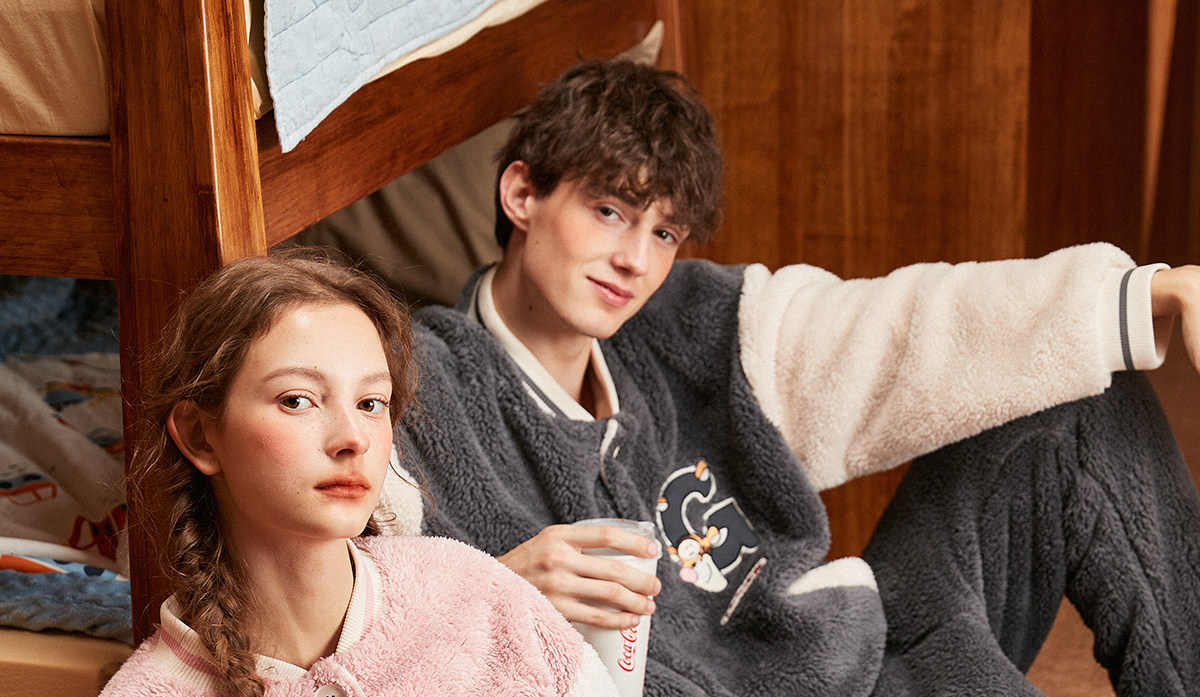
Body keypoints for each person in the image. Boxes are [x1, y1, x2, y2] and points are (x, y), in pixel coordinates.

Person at [391, 57, 1200, 696]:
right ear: (522, 193)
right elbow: (351, 619)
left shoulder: (681, 323)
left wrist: (1152, 292)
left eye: (664, 231)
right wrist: (492, 589)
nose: (635, 260)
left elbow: (897, 330)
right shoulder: (423, 394)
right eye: (609, 211)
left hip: (852, 649)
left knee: (1084, 397)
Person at [100, 252, 618, 697]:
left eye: (371, 403)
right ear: (199, 435)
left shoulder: (475, 594)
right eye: (297, 400)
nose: (354, 438)